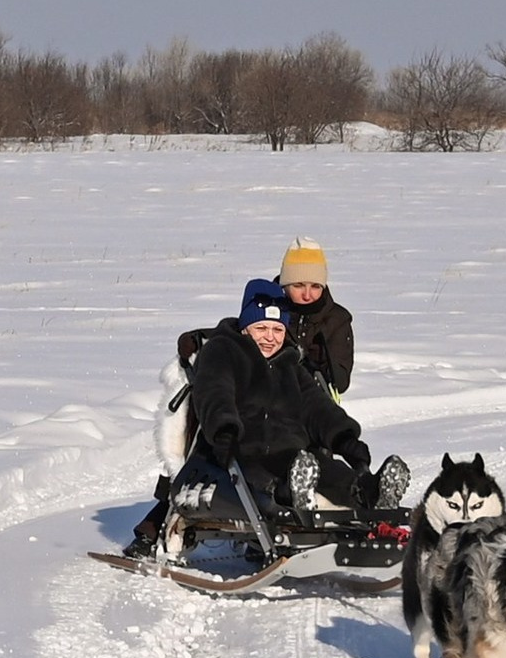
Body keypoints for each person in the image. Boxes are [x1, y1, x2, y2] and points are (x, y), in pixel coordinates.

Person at [122, 278, 407, 558]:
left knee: (328, 471)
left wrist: (345, 438)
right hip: (239, 450)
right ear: (245, 327)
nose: (270, 337)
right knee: (267, 481)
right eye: (261, 328)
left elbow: (317, 407)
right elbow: (214, 392)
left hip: (293, 455)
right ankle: (293, 496)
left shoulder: (291, 364)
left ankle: (371, 495)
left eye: (277, 329)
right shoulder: (223, 351)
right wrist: (224, 430)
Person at [276, 237, 354, 398]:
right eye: (298, 285)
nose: (307, 295)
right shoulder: (267, 312)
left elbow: (340, 382)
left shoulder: (337, 320)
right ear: (284, 285)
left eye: (315, 286)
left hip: (316, 405)